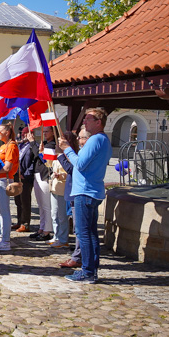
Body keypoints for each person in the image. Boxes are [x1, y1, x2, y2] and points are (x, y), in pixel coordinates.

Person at [60, 108, 113, 284]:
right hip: (91, 191)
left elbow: (80, 165)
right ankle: (90, 270)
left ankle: (88, 271)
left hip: (85, 191)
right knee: (90, 234)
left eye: (88, 119)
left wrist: (67, 150)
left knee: (84, 234)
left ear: (98, 122)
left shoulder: (96, 139)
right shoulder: (102, 140)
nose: (84, 122)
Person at [0, 122, 20, 251]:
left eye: (0, 132)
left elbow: (7, 167)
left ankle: (5, 240)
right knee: (1, 212)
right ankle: (2, 236)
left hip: (3, 181)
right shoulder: (4, 146)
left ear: (7, 132)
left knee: (4, 212)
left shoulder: (11, 146)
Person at [59, 129, 89, 269]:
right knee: (78, 227)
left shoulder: (77, 153)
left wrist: (61, 156)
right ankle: (79, 255)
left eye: (81, 137)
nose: (79, 140)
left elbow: (71, 169)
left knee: (80, 228)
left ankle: (79, 257)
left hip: (78, 191)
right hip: (73, 192)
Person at [29, 128, 54, 241]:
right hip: (37, 175)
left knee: (46, 206)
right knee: (40, 205)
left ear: (53, 132)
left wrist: (33, 143)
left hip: (45, 176)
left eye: (47, 131)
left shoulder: (53, 144)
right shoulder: (44, 144)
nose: (44, 133)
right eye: (44, 131)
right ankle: (42, 227)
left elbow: (42, 157)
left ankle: (47, 230)